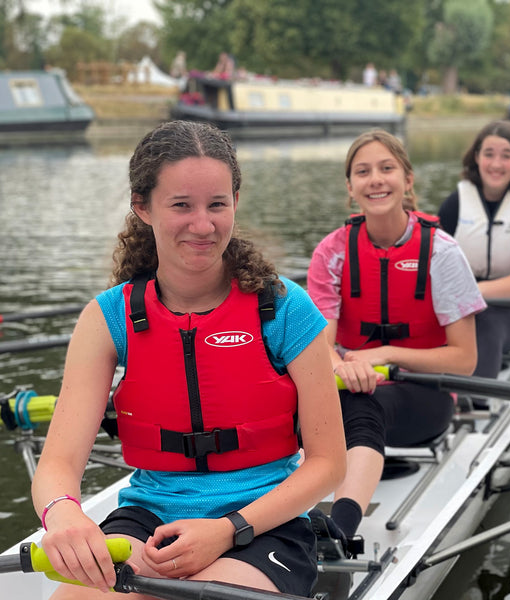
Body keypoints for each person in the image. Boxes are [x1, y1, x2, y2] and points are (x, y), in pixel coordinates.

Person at [31, 120, 346, 599]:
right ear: (143, 207)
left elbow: (328, 464)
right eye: (182, 206)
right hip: (148, 518)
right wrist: (64, 512)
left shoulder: (284, 308)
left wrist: (228, 529)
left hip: (263, 521)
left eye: (217, 204)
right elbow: (58, 462)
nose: (204, 225)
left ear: (235, 202)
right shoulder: (107, 319)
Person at [306, 129, 485, 542]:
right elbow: (320, 346)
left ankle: (341, 529)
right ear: (350, 187)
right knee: (316, 398)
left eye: (387, 169)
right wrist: (342, 367)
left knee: (366, 404)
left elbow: (464, 359)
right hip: (347, 387)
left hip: (425, 397)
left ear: (408, 180)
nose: (376, 180)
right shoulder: (332, 252)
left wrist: (384, 353)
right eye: (363, 172)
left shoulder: (442, 253)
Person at [438, 120, 510, 379]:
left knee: (484, 322)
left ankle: (476, 402)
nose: (496, 164)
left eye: (506, 156)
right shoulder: (456, 203)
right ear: (476, 158)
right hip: (464, 307)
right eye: (489, 154)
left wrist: (469, 296)